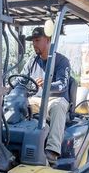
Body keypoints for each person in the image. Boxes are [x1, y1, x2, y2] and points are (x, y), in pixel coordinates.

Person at [24, 26, 71, 165]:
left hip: (54, 98)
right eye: (33, 41)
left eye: (37, 40)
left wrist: (47, 85)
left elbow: (63, 84)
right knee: (16, 105)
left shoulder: (62, 61)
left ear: (49, 40)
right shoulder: (32, 61)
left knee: (57, 107)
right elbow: (21, 79)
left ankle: (52, 151)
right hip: (36, 100)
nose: (34, 44)